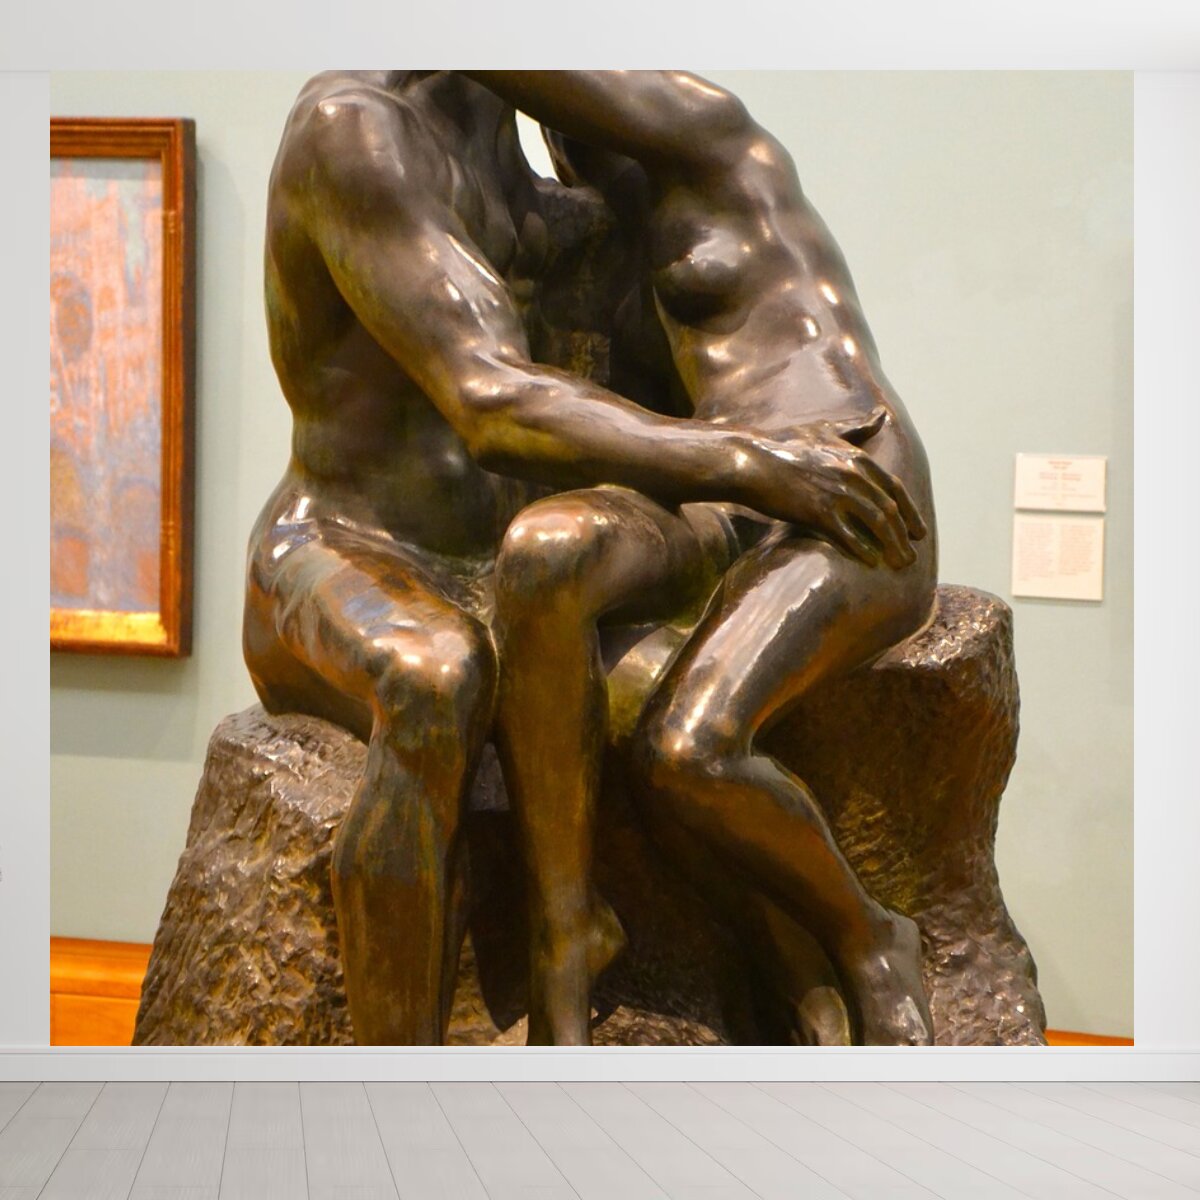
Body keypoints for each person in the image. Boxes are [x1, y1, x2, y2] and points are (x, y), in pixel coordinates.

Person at [243, 69, 926, 1045]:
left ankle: (786, 971)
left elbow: (641, 369)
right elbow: (487, 399)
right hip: (348, 546)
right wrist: (750, 460)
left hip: (500, 559)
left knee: (660, 712)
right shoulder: (352, 130)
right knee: (436, 678)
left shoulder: (539, 149)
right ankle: (393, 1077)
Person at [469, 72, 937, 1046]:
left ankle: (870, 939)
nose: (561, 139)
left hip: (846, 478)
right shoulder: (601, 241)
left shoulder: (710, 136)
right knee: (562, 580)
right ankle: (595, 948)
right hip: (730, 503)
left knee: (687, 747)